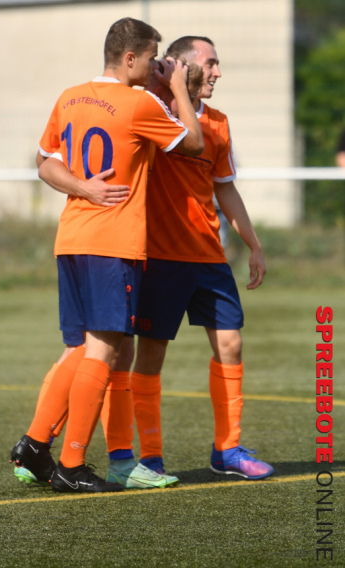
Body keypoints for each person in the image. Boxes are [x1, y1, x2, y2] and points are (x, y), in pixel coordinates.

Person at [9, 17, 203, 494]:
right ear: (130, 57)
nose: (156, 66)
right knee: (105, 350)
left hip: (72, 238)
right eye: (152, 58)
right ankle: (71, 465)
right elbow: (194, 142)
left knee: (79, 348)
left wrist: (82, 188)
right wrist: (178, 87)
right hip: (112, 242)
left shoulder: (71, 96)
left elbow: (44, 163)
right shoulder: (138, 103)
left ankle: (34, 444)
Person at [98, 36, 273, 482]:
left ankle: (227, 449)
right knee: (151, 356)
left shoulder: (219, 122)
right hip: (159, 258)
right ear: (181, 65)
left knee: (231, 345)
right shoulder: (151, 112)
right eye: (210, 63)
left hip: (209, 256)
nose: (217, 72)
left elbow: (225, 189)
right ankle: (151, 456)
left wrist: (253, 244)